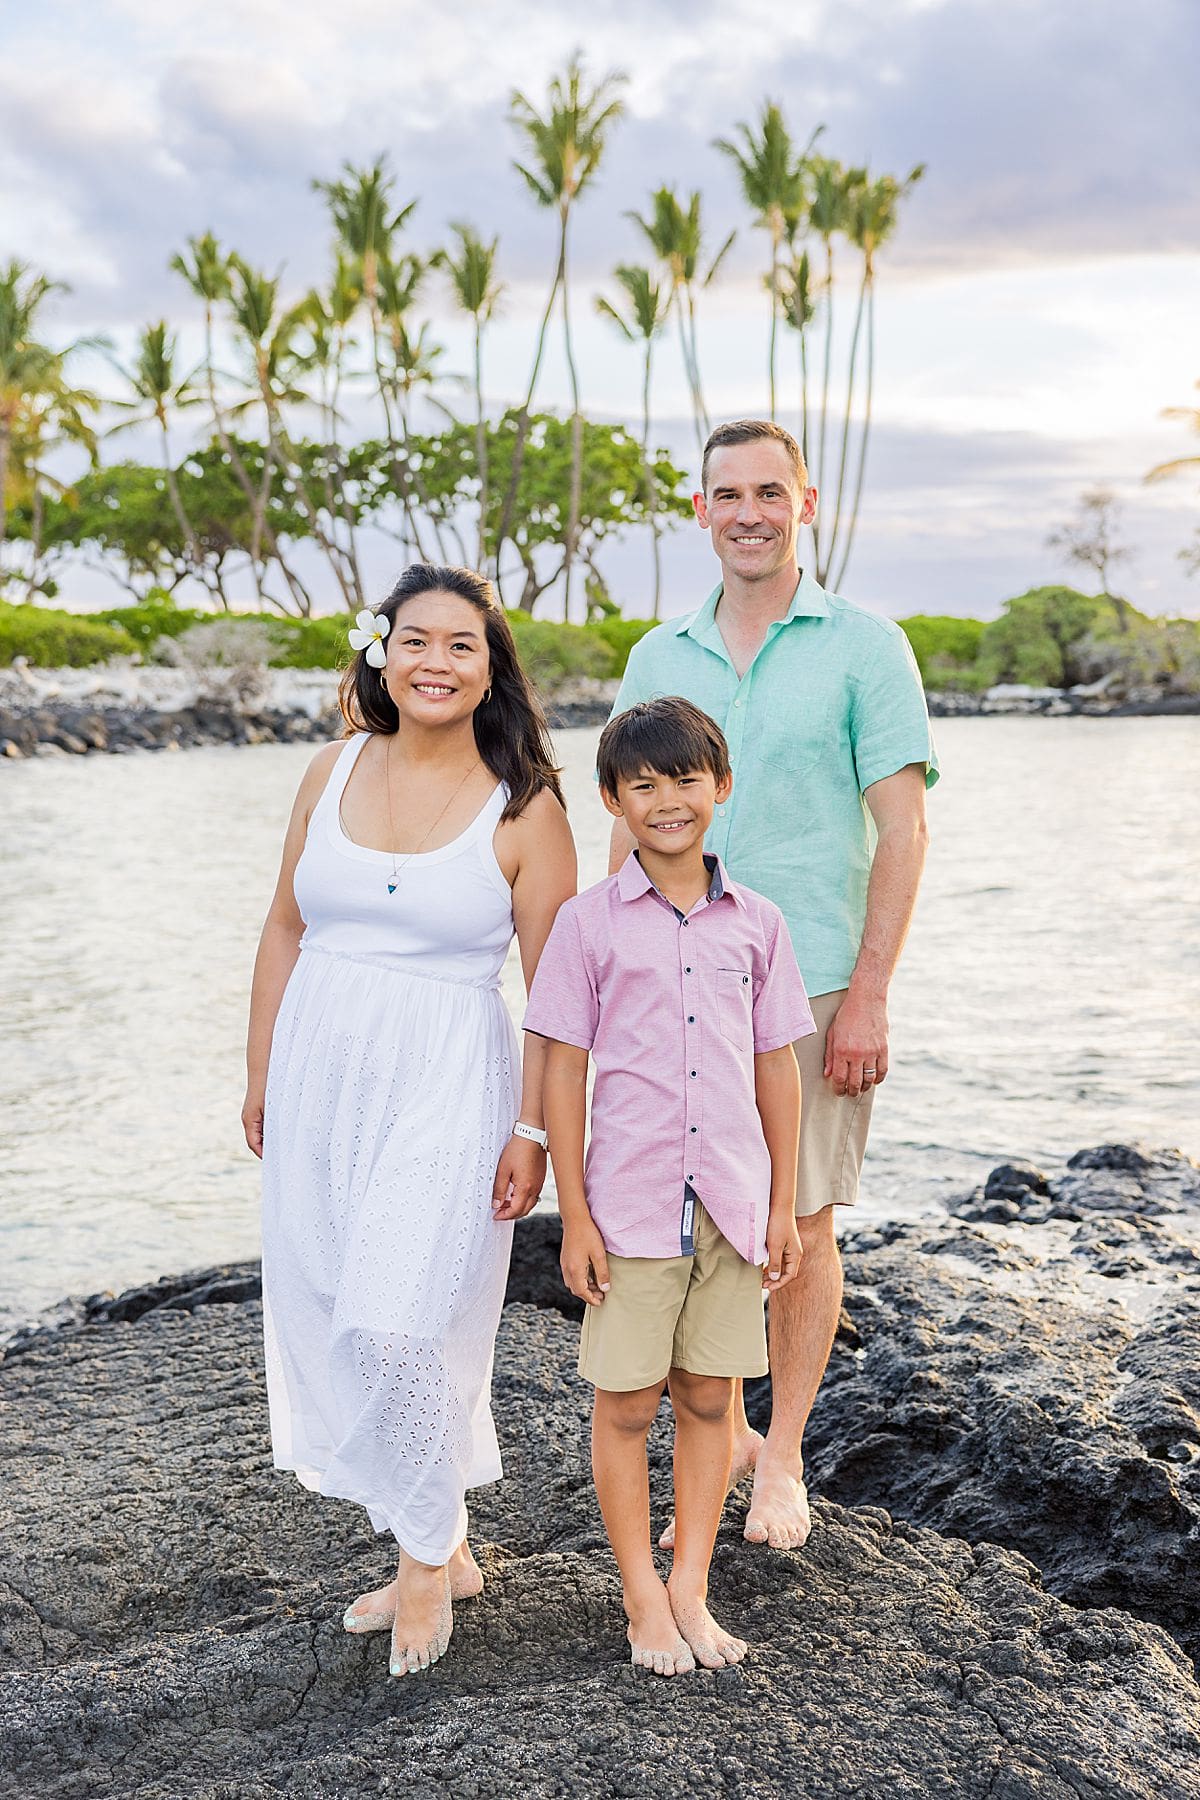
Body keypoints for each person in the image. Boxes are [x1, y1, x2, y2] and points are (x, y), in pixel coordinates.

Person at [607, 419, 939, 1553]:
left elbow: (902, 828)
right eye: (724, 493)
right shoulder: (659, 655)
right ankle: (724, 1432)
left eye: (767, 491)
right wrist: (599, 986)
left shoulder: (866, 645)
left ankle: (784, 1456)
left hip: (812, 988)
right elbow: (629, 817)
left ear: (803, 502)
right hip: (667, 986)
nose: (746, 511)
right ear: (699, 510)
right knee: (683, 1215)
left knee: (800, 1218)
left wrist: (872, 996)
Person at [243, 563, 576, 1680]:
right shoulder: (329, 766)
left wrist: (531, 1134)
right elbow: (284, 927)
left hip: (447, 1081)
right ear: (380, 651)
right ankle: (438, 1540)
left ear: (492, 672)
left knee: (398, 1322)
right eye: (416, 641)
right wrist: (260, 1076)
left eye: (461, 647)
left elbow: (559, 995)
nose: (436, 662)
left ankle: (428, 1560)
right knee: (338, 1303)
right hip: (316, 1078)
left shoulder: (524, 807)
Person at [526, 697, 816, 1675]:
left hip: (732, 1208)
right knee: (625, 1406)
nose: (666, 800)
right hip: (632, 1205)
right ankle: (641, 1598)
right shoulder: (587, 925)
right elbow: (561, 1067)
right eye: (642, 785)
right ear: (613, 799)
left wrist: (780, 1208)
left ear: (720, 786)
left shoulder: (760, 924)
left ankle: (690, 1583)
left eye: (685, 780)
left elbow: (776, 1065)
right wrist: (575, 1214)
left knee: (709, 1400)